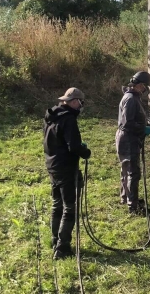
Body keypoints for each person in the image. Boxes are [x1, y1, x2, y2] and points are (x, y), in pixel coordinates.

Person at [43, 87, 91, 260]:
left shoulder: (51, 116)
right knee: (69, 207)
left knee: (57, 204)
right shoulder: (69, 119)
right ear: (73, 102)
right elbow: (74, 146)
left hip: (52, 166)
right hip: (66, 168)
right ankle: (63, 248)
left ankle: (55, 239)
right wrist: (85, 152)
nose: (81, 106)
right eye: (80, 102)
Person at [116, 71, 150, 214]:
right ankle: (133, 207)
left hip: (128, 137)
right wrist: (143, 129)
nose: (145, 89)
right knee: (133, 172)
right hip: (128, 139)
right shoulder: (131, 99)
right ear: (139, 85)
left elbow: (138, 119)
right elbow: (128, 124)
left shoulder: (133, 97)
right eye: (144, 86)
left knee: (127, 170)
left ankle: (126, 197)